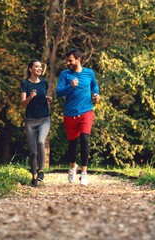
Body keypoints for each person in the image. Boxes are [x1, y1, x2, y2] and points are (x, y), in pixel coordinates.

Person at [56, 49, 100, 186]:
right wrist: (70, 86)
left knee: (85, 139)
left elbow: (94, 84)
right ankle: (73, 166)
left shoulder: (89, 73)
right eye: (67, 60)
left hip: (86, 111)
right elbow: (58, 93)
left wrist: (96, 94)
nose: (68, 63)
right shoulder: (65, 75)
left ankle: (84, 173)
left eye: (70, 60)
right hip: (70, 113)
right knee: (72, 145)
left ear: (78, 60)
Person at [20, 59, 52, 187]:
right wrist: (30, 97)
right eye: (37, 67)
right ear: (30, 69)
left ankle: (41, 171)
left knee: (40, 142)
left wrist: (48, 98)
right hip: (30, 121)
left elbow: (43, 96)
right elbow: (22, 103)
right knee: (33, 151)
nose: (39, 69)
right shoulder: (25, 83)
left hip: (44, 119)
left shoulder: (44, 82)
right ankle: (33, 177)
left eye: (40, 67)